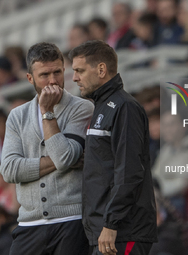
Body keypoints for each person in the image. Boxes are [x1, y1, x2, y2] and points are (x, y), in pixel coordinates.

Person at [0, 42, 94, 255]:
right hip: (29, 222)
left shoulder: (82, 107)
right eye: (44, 75)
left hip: (72, 220)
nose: (53, 81)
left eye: (57, 72)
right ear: (30, 78)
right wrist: (65, 161)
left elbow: (63, 157)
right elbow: (9, 170)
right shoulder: (17, 115)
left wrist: (47, 111)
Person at [69, 40, 157, 255]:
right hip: (104, 230)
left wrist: (111, 223)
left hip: (121, 230)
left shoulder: (124, 107)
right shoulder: (101, 107)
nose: (74, 78)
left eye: (80, 70)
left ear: (101, 70)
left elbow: (130, 171)